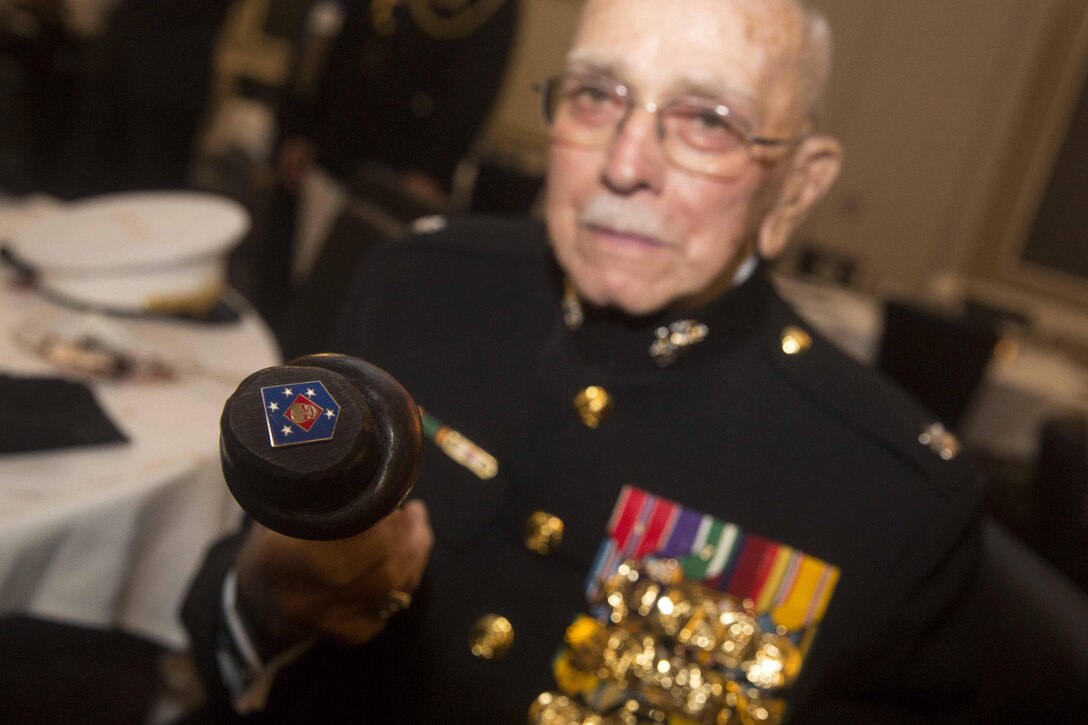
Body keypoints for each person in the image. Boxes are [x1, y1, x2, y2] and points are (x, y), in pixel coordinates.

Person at [181, 1, 1087, 722]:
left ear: (797, 187)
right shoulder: (416, 284)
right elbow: (231, 599)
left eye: (709, 121)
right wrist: (267, 595)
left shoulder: (888, 494)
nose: (624, 165)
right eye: (595, 95)